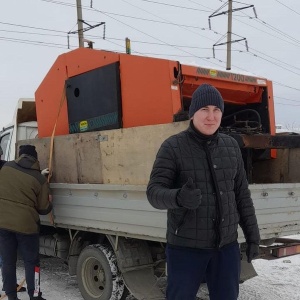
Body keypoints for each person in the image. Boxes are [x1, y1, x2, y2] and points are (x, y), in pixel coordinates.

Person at [146, 84, 260, 300]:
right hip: (185, 249)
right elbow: (153, 193)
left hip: (226, 249)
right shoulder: (173, 147)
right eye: (204, 110)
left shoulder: (231, 146)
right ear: (193, 114)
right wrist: (178, 197)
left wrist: (253, 237)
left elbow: (242, 196)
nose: (211, 116)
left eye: (216, 110)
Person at [0, 145, 52, 300]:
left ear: (20, 155)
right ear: (35, 159)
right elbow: (43, 209)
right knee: (32, 262)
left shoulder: (5, 168)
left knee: (8, 262)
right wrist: (50, 202)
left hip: (3, 224)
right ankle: (35, 295)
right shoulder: (40, 179)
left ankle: (11, 296)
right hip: (27, 227)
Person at [0, 145, 27, 296]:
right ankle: (8, 284)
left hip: (4, 217)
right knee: (5, 257)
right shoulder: (6, 166)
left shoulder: (6, 166)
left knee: (6, 257)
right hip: (4, 216)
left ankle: (8, 284)